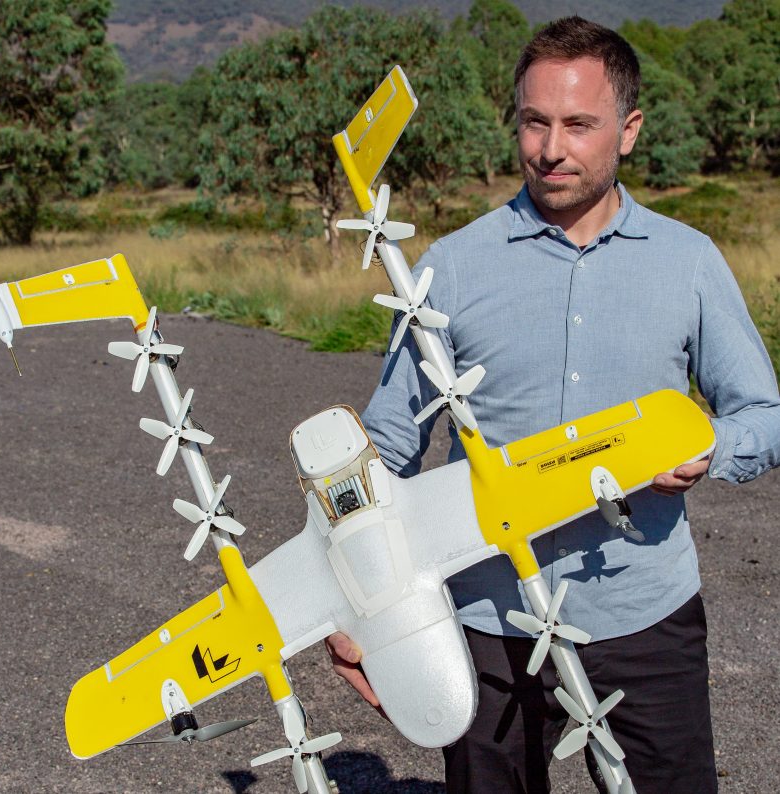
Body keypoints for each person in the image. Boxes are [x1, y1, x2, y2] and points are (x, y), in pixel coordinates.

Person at [326, 16, 780, 794]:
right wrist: (355, 606)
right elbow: (388, 447)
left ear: (628, 131)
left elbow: (763, 414)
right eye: (535, 121)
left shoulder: (690, 263)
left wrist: (709, 447)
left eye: (579, 124)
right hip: (487, 618)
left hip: (645, 614)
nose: (550, 148)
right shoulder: (449, 269)